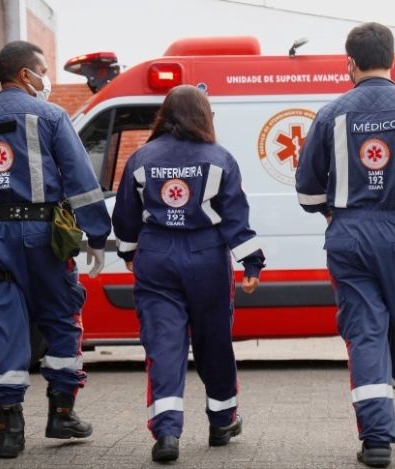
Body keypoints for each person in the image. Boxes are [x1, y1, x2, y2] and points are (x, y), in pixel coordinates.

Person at [295, 23, 395, 468]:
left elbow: (307, 191)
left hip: (348, 238)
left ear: (348, 62)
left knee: (365, 332)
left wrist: (335, 214)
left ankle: (376, 440)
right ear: (394, 58)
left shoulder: (331, 114)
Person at [0, 40, 111, 458]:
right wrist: (96, 235)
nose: (46, 81)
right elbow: (80, 180)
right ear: (26, 74)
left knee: (4, 323)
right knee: (61, 317)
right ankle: (61, 414)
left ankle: (9, 431)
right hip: (45, 236)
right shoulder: (51, 116)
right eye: (42, 71)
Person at [112, 85, 265, 463]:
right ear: (203, 116)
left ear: (165, 114)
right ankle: (222, 421)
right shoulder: (220, 159)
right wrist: (251, 263)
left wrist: (129, 252)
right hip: (206, 258)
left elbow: (126, 215)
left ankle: (166, 433)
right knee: (214, 343)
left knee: (164, 345)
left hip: (157, 256)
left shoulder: (141, 158)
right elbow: (235, 218)